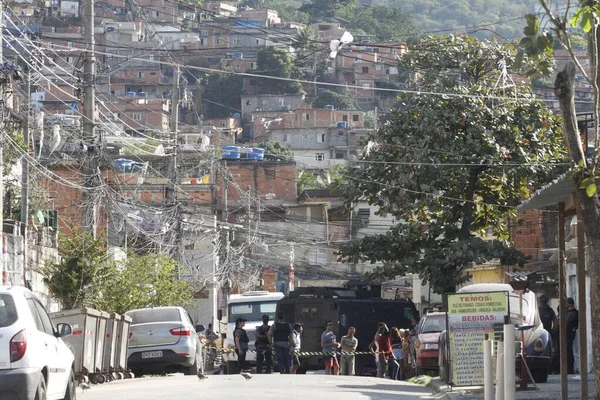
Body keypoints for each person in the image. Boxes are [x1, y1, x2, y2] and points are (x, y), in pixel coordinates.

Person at [566, 297, 579, 374]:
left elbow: (566, 323)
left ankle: (570, 369)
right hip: (569, 334)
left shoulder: (572, 313)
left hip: (569, 334)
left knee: (569, 351)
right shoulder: (571, 313)